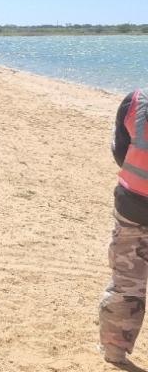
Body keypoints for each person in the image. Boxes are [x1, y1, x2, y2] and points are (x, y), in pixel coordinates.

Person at [99, 89, 148, 366]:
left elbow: (120, 152)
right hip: (133, 205)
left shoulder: (136, 101)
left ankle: (115, 352)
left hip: (133, 206)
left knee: (127, 283)